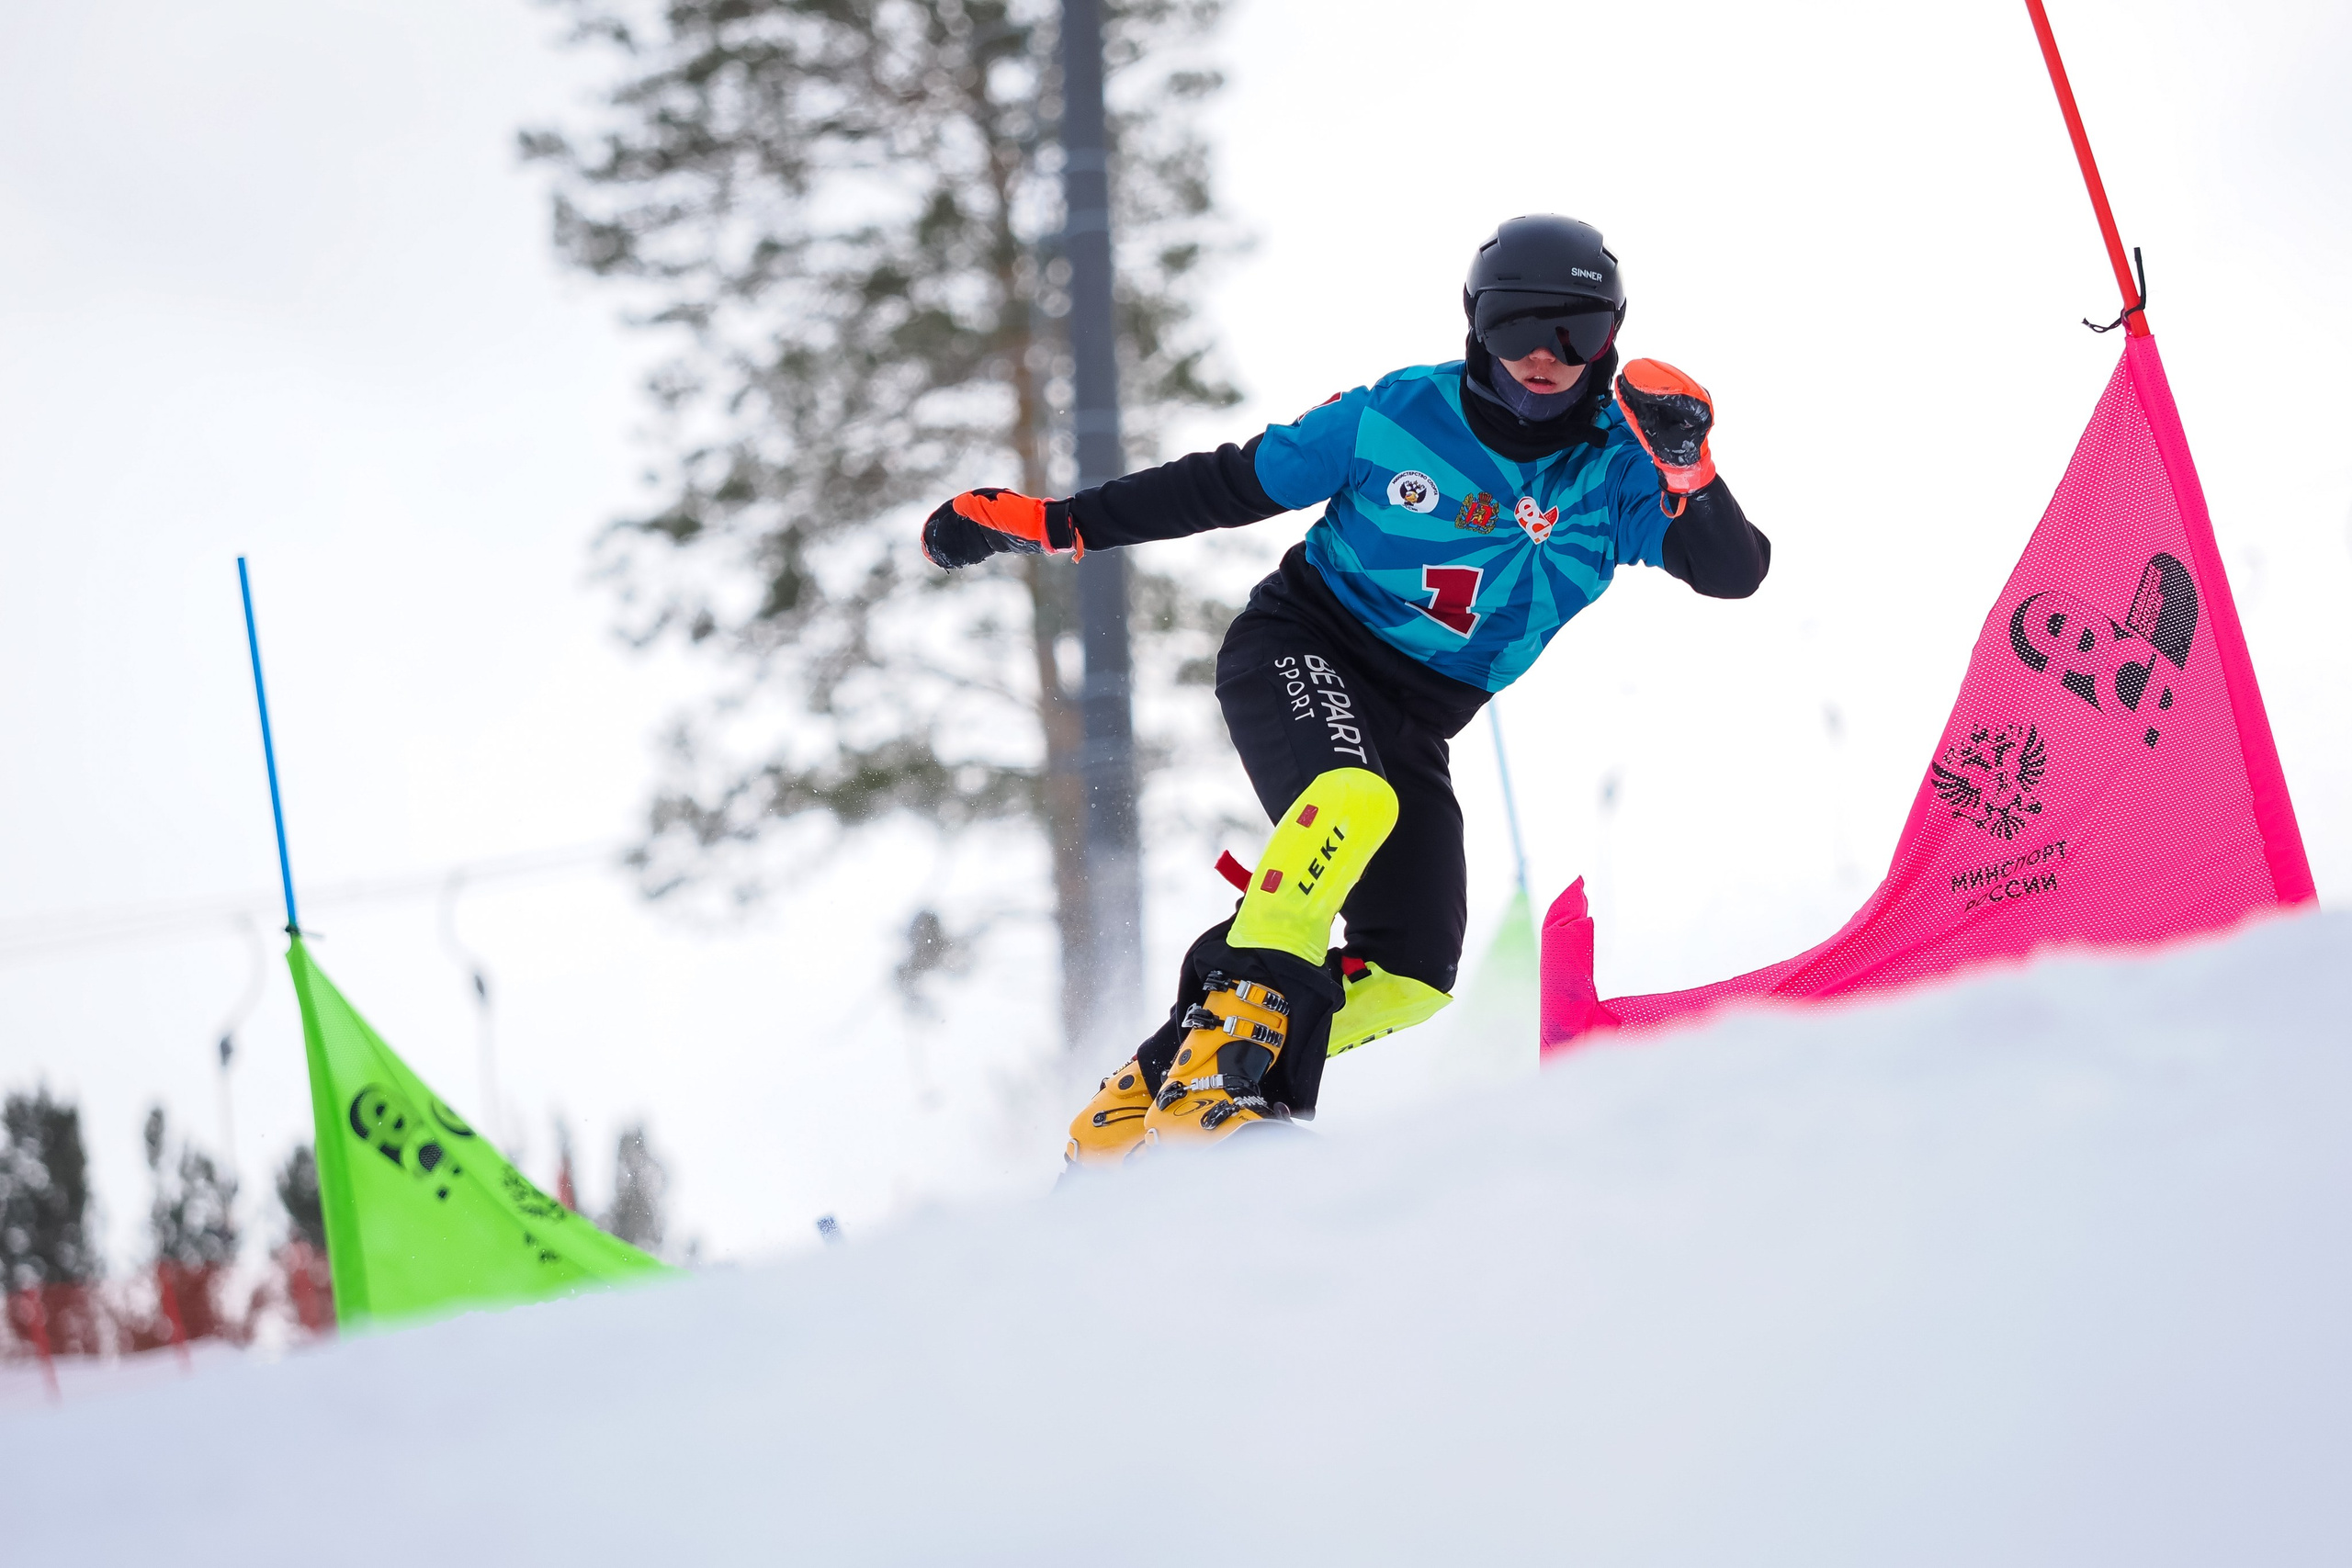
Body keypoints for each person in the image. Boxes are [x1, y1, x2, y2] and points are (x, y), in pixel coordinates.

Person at [920, 214, 1770, 1167]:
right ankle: (1217, 1074)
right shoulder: (1394, 416)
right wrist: (1053, 523)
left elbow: (1731, 571)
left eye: (1574, 333)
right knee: (1348, 800)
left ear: (1610, 339)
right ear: (1472, 323)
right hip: (1303, 645)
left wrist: (1689, 467)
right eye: (1515, 327)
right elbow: (1229, 484)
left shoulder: (1622, 467)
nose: (1543, 356)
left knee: (1411, 972)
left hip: (1423, 716)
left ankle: (1151, 1086)